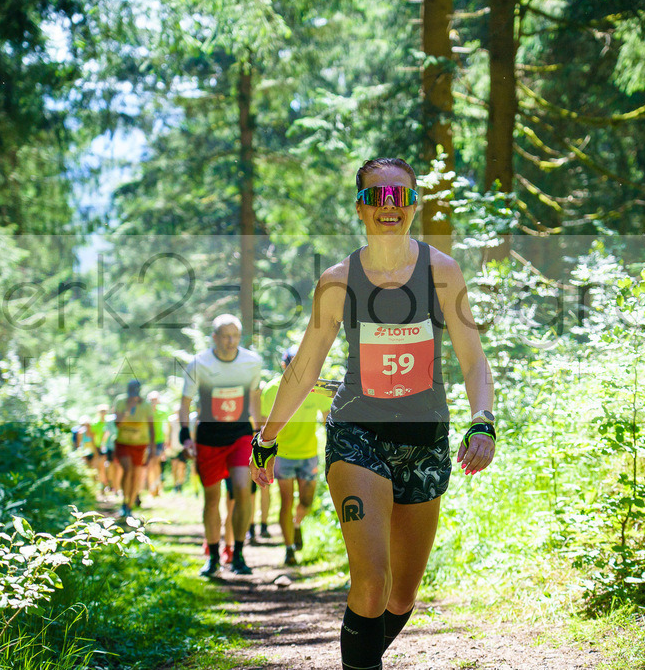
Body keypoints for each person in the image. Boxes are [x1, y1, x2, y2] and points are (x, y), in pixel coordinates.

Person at [251, 158, 497, 670]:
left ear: (414, 205)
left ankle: (359, 657)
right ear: (360, 207)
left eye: (401, 197)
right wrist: (267, 437)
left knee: (400, 596)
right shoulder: (339, 280)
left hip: (425, 438)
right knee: (369, 580)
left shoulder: (442, 272)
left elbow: (474, 360)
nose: (390, 208)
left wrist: (483, 420)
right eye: (378, 198)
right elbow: (303, 367)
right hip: (356, 432)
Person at [179, 314, 263, 577]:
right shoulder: (198, 364)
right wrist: (185, 436)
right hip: (209, 437)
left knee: (242, 490)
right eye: (225, 336)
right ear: (214, 338)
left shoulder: (252, 362)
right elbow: (184, 404)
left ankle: (238, 554)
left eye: (235, 336)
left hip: (239, 434)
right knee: (212, 499)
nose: (231, 341)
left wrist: (259, 432)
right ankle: (213, 557)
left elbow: (254, 397)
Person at [261, 346, 333, 566]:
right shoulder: (272, 390)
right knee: (286, 500)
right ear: (284, 365)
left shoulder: (316, 388)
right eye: (292, 365)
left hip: (309, 453)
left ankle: (296, 524)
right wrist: (263, 455)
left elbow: (327, 418)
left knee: (306, 502)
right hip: (283, 454)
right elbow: (263, 426)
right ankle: (289, 548)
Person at [112, 379, 155, 518]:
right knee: (127, 470)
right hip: (123, 442)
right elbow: (117, 424)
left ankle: (129, 505)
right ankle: (124, 501)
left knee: (136, 475)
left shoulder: (146, 405)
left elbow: (151, 426)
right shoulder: (120, 401)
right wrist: (127, 411)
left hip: (140, 445)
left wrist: (153, 446)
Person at [146, 391, 170, 497]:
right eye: (151, 400)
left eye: (155, 399)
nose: (153, 402)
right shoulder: (146, 412)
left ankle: (157, 486)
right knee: (150, 465)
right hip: (147, 442)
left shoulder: (163, 411)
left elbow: (167, 425)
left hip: (160, 441)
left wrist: (167, 439)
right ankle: (152, 487)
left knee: (156, 463)